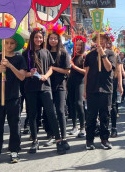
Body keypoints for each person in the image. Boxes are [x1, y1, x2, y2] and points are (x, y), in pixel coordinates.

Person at [0, 30, 27, 166]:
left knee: (14, 125)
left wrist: (9, 66)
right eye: (6, 43)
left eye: (11, 43)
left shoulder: (20, 58)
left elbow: (22, 76)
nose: (8, 45)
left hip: (13, 96)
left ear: (15, 45)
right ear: (2, 43)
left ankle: (14, 150)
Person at [22, 27, 66, 155]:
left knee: (51, 113)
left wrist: (46, 76)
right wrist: (31, 74)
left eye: (40, 37)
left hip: (46, 87)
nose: (38, 39)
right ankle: (35, 140)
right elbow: (23, 73)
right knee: (33, 115)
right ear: (32, 38)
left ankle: (58, 140)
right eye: (36, 37)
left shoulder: (46, 52)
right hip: (30, 88)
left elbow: (51, 67)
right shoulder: (26, 53)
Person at [84, 32, 116, 150]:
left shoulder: (111, 53)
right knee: (91, 116)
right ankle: (89, 140)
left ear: (106, 41)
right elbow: (86, 73)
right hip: (92, 89)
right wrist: (85, 89)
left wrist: (103, 54)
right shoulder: (89, 55)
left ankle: (104, 139)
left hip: (106, 89)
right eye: (98, 39)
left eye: (103, 39)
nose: (100, 42)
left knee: (105, 115)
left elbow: (108, 68)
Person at [46, 23, 71, 149]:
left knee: (60, 111)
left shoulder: (63, 53)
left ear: (59, 39)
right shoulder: (44, 52)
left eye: (55, 38)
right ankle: (52, 135)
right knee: (49, 112)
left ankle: (64, 136)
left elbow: (67, 71)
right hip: (46, 86)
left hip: (60, 86)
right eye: (51, 38)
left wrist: (54, 68)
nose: (53, 40)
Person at [67, 35, 87, 138]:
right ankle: (75, 126)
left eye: (80, 45)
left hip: (81, 82)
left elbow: (85, 72)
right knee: (72, 104)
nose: (77, 47)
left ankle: (83, 127)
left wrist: (74, 67)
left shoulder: (84, 56)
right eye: (76, 45)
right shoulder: (71, 56)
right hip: (71, 82)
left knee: (79, 103)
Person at [106, 42, 123, 138]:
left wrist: (120, 84)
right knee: (104, 106)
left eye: (109, 43)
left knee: (113, 105)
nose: (108, 45)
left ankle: (113, 128)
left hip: (113, 82)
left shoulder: (116, 56)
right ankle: (104, 127)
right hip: (102, 83)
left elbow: (120, 71)